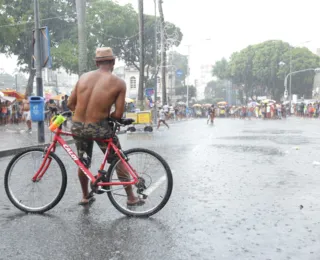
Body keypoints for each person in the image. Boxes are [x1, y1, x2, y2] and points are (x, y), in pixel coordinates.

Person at [68, 47, 144, 206]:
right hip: (99, 127)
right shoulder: (119, 83)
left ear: (96, 62)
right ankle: (130, 197)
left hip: (77, 126)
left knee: (83, 161)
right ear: (113, 62)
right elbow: (118, 114)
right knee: (118, 159)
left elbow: (70, 104)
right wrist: (105, 115)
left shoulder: (83, 77)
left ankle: (85, 196)